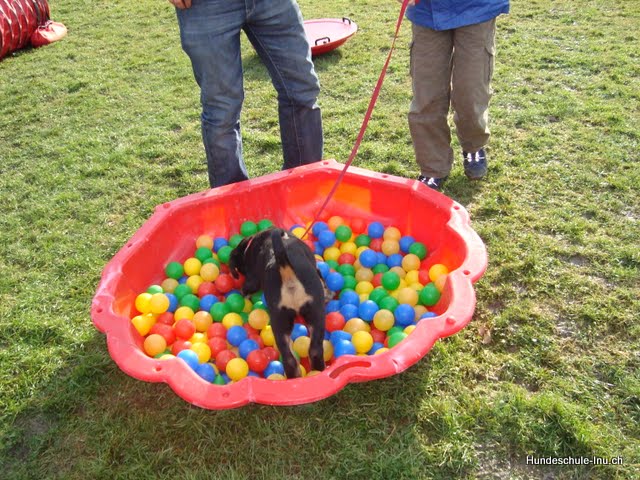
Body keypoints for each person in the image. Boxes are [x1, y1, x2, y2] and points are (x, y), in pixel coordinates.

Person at [168, 0, 324, 188]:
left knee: (302, 90)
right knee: (222, 110)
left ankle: (305, 188)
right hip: (205, 6)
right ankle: (233, 201)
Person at [400, 0, 510, 191]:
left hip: (477, 9)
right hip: (427, 12)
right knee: (427, 95)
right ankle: (433, 167)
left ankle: (473, 145)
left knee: (471, 90)